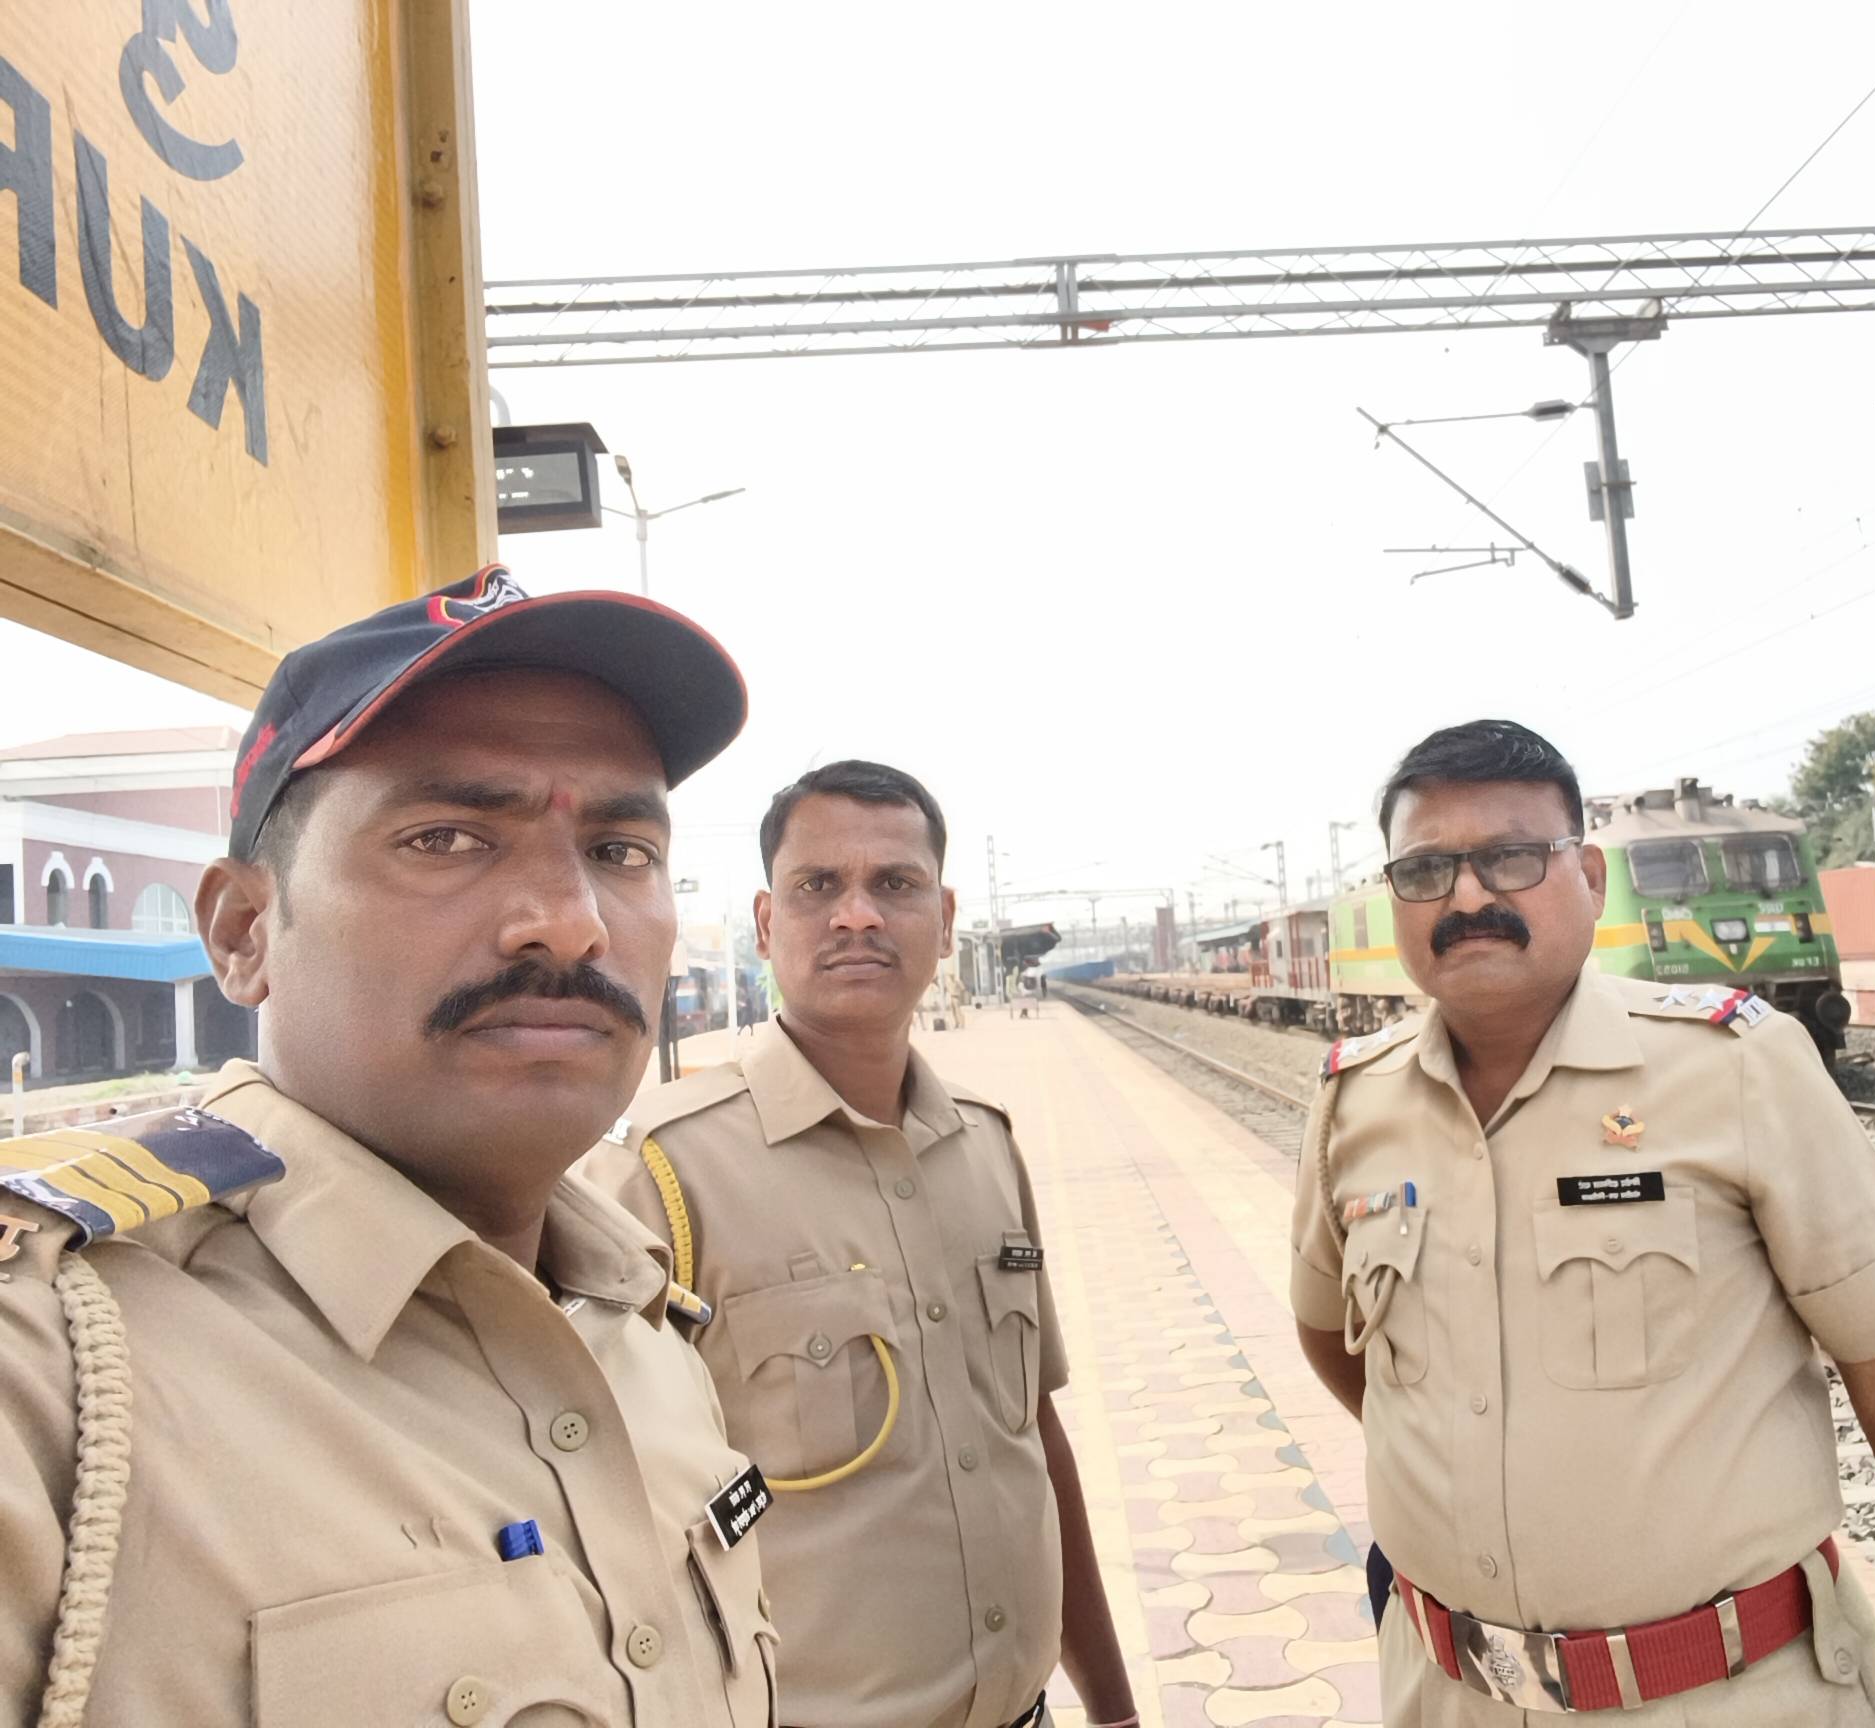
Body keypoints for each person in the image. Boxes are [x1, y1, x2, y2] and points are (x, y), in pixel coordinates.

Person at [0, 568, 778, 1727]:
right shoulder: (56, 1383)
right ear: (243, 931)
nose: (571, 922)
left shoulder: (647, 1333)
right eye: (447, 838)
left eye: (622, 851)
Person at [1290, 719, 1875, 1726]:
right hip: (1449, 1696)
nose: (1467, 898)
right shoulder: (1355, 1102)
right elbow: (1336, 1345)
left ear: (1591, 878)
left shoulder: (1739, 1067)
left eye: (1512, 857)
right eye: (1426, 869)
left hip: (1728, 1698)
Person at [588, 761, 1135, 1728]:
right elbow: (592, 1512)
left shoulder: (987, 1146)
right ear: (766, 924)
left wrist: (1115, 1707)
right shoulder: (663, 1175)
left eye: (895, 883)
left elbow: (1034, 1439)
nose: (857, 915)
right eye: (818, 886)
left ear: (945, 917)